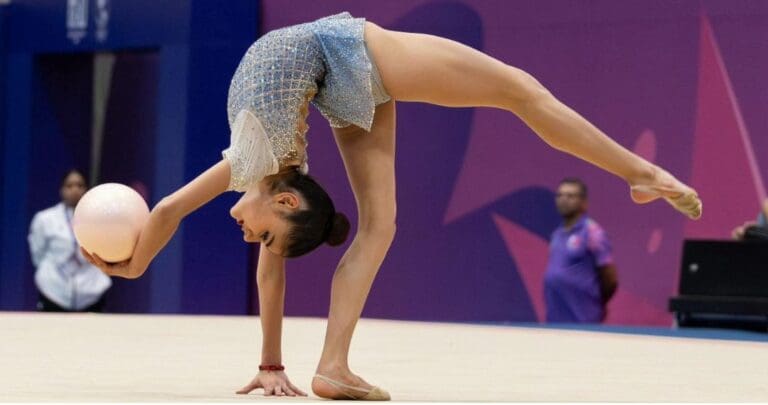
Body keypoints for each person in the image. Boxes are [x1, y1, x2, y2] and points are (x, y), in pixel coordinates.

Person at [82, 13, 702, 400]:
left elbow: (167, 211)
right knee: (508, 99)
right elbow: (263, 268)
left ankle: (640, 172)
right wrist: (270, 362)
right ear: (289, 201)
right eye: (265, 237)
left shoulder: (249, 165)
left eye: (261, 237)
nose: (252, 240)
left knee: (513, 96)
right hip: (340, 67)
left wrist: (134, 266)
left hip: (339, 57)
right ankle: (333, 367)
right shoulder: (268, 174)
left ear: (285, 199)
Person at [29, 169, 111, 312]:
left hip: (91, 290)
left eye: (80, 185)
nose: (75, 190)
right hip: (53, 291)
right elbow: (38, 255)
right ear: (62, 190)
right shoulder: (44, 219)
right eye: (69, 185)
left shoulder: (99, 220)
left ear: (86, 189)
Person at [544, 178, 618, 323]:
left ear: (584, 203)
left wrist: (593, 302)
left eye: (570, 196)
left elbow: (610, 279)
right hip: (555, 317)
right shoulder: (557, 234)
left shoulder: (592, 232)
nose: (564, 199)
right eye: (560, 195)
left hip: (583, 316)